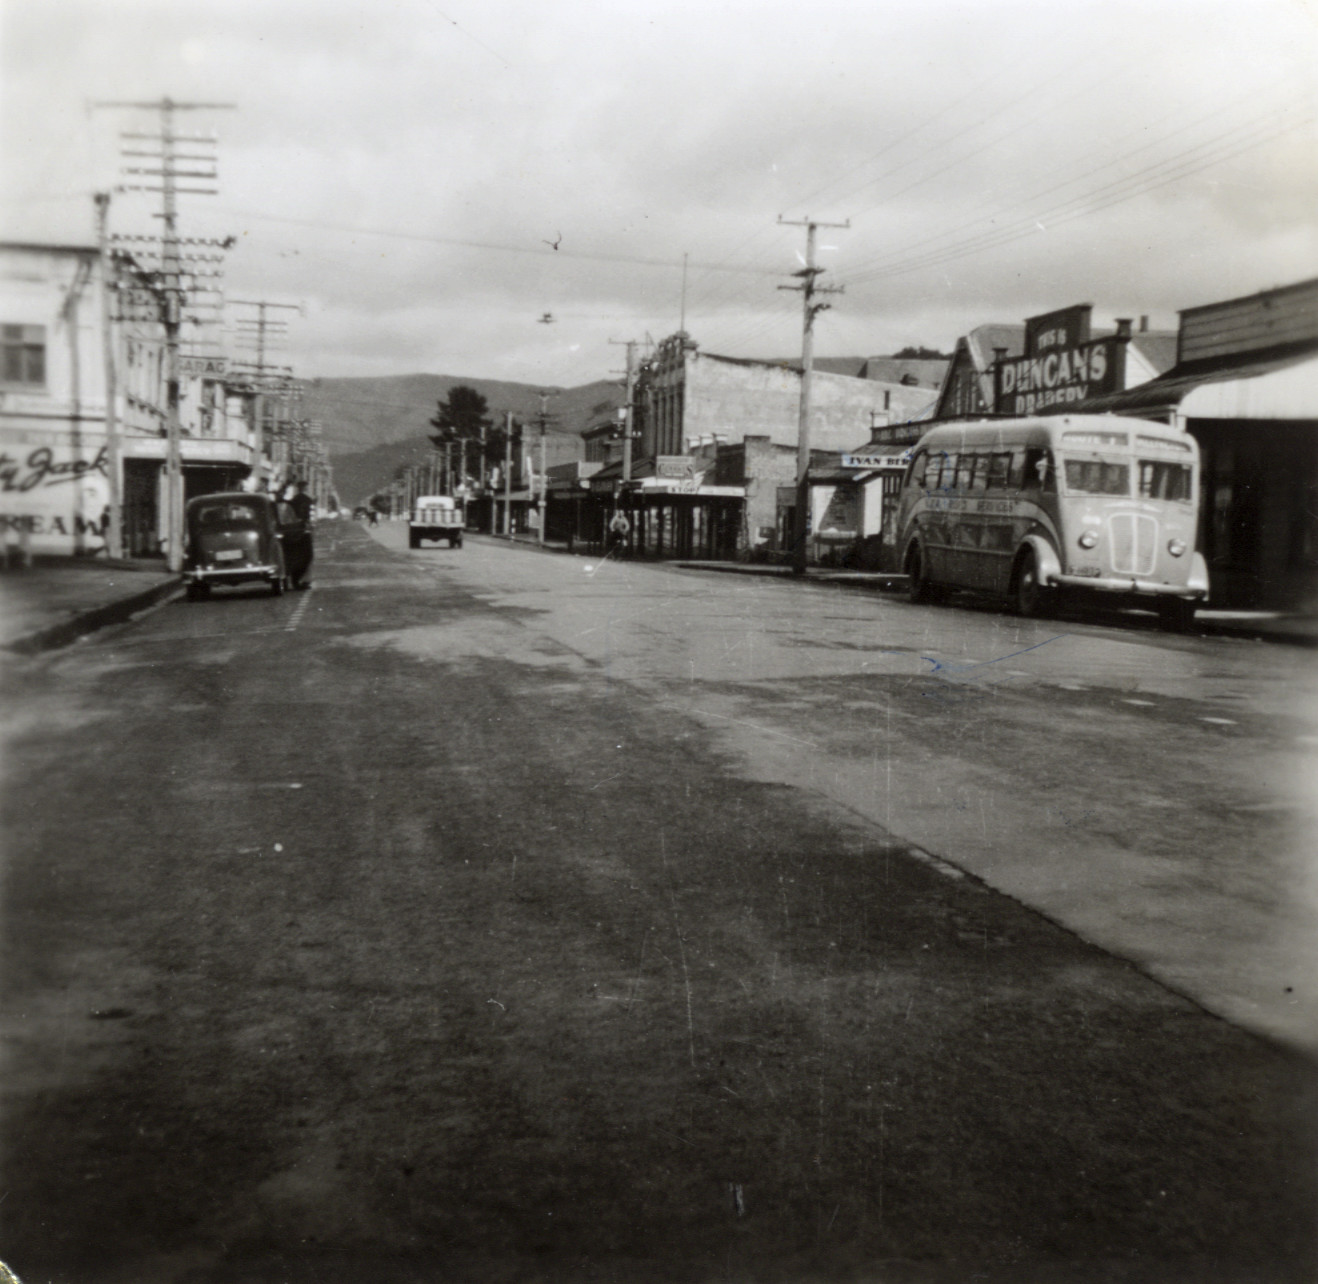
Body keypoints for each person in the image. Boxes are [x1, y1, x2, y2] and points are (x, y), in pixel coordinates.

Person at [285, 480, 315, 588]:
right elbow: (311, 517)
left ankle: (294, 580)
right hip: (304, 529)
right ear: (305, 488)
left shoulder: (293, 500)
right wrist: (310, 526)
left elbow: (288, 515)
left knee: (295, 555)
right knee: (307, 555)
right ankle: (303, 580)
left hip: (293, 530)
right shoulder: (308, 500)